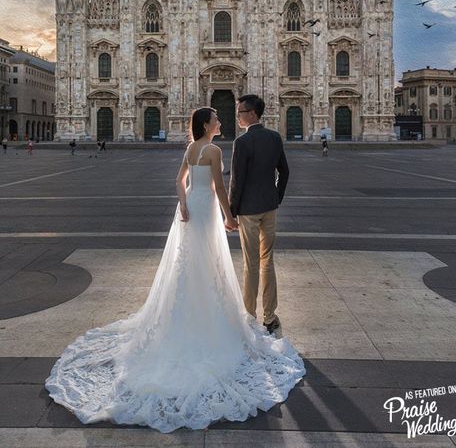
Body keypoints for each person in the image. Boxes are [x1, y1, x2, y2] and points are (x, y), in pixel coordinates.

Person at [45, 107, 305, 432]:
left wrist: (182, 203)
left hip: (191, 208)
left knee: (188, 264)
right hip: (208, 209)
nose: (221, 122)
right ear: (207, 125)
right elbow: (220, 189)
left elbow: (178, 181)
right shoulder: (212, 150)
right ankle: (212, 317)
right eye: (217, 120)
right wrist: (229, 215)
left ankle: (187, 317)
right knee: (210, 263)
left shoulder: (191, 148)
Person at [229, 94, 289, 335]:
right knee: (268, 261)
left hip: (249, 211)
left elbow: (237, 181)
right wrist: (277, 197)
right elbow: (284, 172)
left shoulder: (242, 142)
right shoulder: (274, 138)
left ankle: (249, 315)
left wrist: (232, 213)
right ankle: (270, 316)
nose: (238, 117)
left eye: (240, 112)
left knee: (251, 263)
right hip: (270, 207)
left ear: (252, 113)